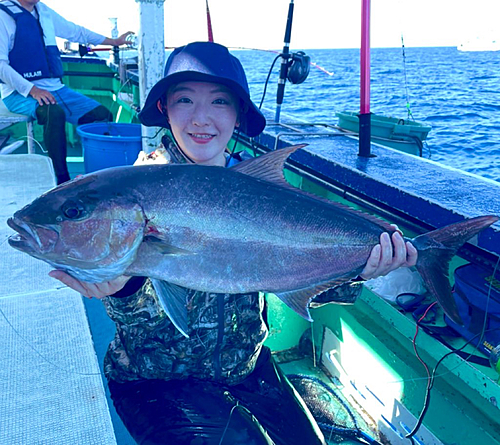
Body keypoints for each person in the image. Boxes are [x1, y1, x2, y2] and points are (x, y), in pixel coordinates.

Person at [49, 42, 418, 445]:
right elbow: (143, 325)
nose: (201, 118)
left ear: (238, 114)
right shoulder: (140, 185)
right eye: (185, 99)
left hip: (247, 368)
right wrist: (125, 288)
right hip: (158, 381)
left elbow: (299, 267)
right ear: (165, 110)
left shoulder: (256, 186)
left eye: (220, 102)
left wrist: (364, 268)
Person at [0, 0, 132, 184]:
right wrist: (32, 90)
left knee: (101, 115)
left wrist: (113, 41)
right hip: (18, 93)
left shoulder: (43, 11)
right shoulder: (3, 15)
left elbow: (76, 32)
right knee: (53, 113)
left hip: (55, 87)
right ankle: (61, 180)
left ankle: (96, 176)